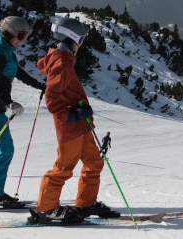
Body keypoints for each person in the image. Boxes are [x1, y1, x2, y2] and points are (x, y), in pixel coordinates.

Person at [29, 16, 118, 224]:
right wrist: (71, 114)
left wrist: (80, 112)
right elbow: (52, 98)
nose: (82, 45)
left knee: (94, 162)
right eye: (82, 40)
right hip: (70, 127)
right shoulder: (61, 62)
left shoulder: (65, 59)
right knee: (63, 168)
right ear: (72, 38)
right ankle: (46, 209)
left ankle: (85, 204)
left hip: (81, 125)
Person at [0, 16, 45, 210]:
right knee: (5, 149)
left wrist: (39, 85)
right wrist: (9, 102)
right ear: (9, 33)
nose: (22, 40)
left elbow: (17, 72)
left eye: (25, 36)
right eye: (20, 35)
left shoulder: (5, 50)